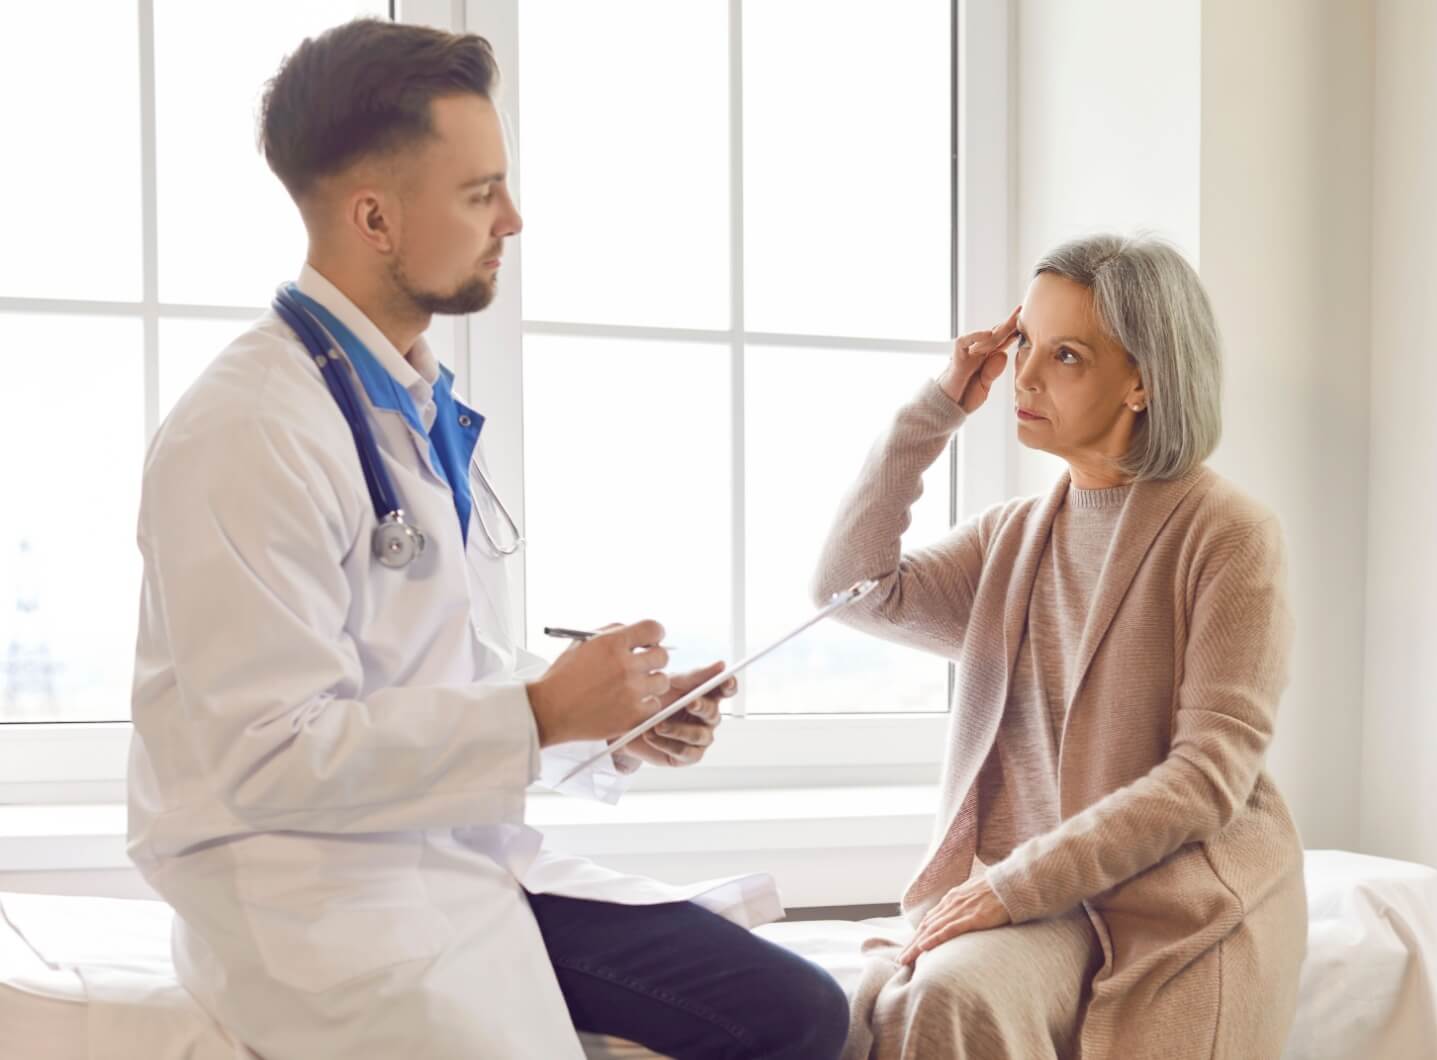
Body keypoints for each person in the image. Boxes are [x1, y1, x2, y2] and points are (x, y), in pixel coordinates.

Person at [127, 19, 847, 1060]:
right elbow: (270, 756)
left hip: (446, 857)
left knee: (798, 1010)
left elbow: (440, 672)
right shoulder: (246, 430)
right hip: (310, 892)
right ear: (374, 217)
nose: (514, 217)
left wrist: (608, 721)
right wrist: (540, 711)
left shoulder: (401, 403)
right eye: (479, 193)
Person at [812, 234, 1307, 1059]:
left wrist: (1011, 887)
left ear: (1145, 380)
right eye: (1024, 347)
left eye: (1067, 355)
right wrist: (936, 408)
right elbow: (849, 590)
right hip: (1039, 903)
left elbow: (1207, 779)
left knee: (948, 994)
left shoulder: (1231, 536)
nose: (1026, 377)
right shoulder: (1011, 539)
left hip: (1166, 897)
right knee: (934, 997)